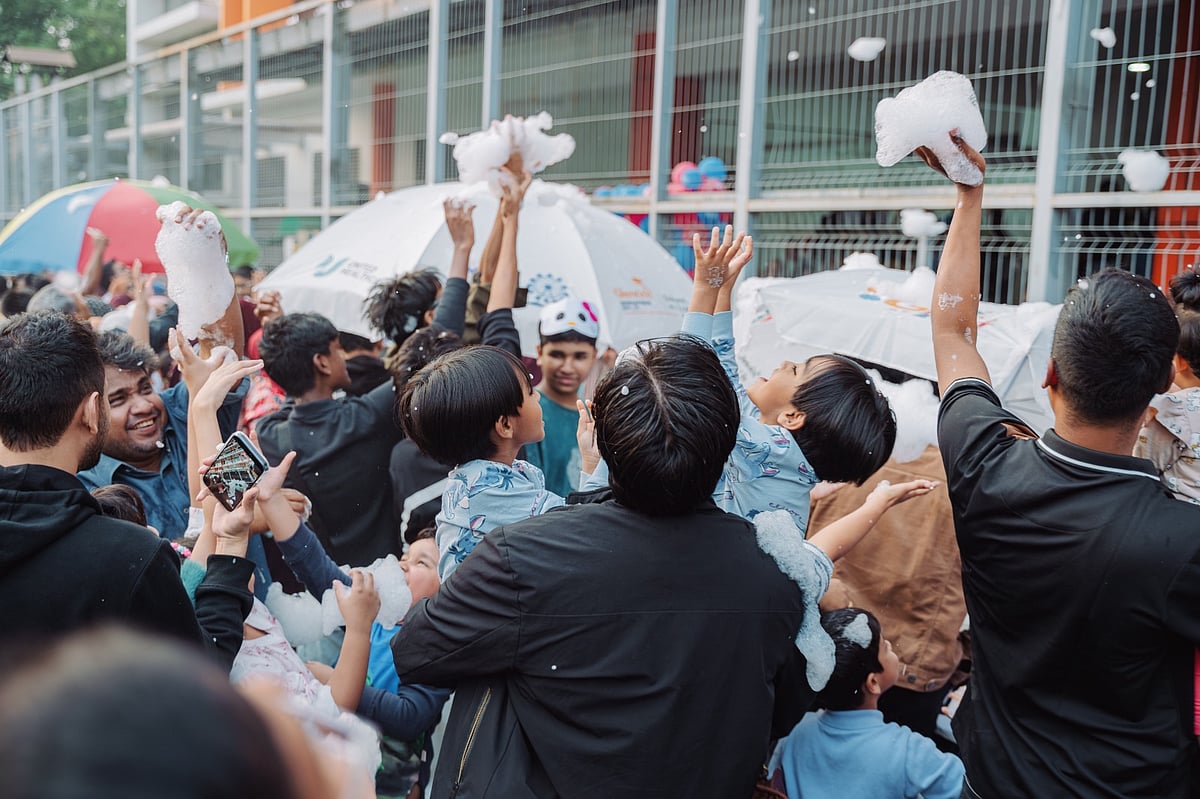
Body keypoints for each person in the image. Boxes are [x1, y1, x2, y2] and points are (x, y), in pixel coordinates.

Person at [390, 334, 814, 799]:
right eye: (529, 389)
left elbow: (416, 650)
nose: (538, 394)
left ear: (613, 442)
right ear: (727, 444)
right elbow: (783, 707)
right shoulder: (773, 574)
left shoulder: (524, 555)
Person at [925, 132, 1200, 797]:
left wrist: (970, 195)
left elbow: (953, 331)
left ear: (1050, 373)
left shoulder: (981, 460)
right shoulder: (1182, 542)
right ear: (1165, 387)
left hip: (989, 780)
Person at [0, 312, 253, 671]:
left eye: (146, 388)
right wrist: (232, 549)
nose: (143, 406)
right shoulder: (131, 555)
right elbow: (200, 671)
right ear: (92, 411)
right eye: (114, 399)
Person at [682, 225, 897, 530]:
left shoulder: (766, 449)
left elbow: (688, 379)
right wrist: (723, 290)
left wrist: (705, 290)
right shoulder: (774, 447)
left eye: (796, 370)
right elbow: (721, 372)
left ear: (793, 416)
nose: (784, 363)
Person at [768, 608, 964, 799]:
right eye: (885, 648)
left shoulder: (796, 729)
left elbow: (774, 781)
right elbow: (967, 787)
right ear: (873, 682)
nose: (890, 646)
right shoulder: (908, 752)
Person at [255, 312, 402, 566]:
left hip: (331, 577)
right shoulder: (368, 416)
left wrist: (286, 353)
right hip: (391, 569)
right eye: (337, 350)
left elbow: (295, 400)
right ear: (322, 363)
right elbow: (424, 354)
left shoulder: (270, 434)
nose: (344, 357)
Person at [522, 297, 600, 496]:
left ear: (594, 356)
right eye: (557, 355)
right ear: (540, 353)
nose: (567, 367)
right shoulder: (527, 410)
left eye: (579, 356)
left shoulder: (595, 416)